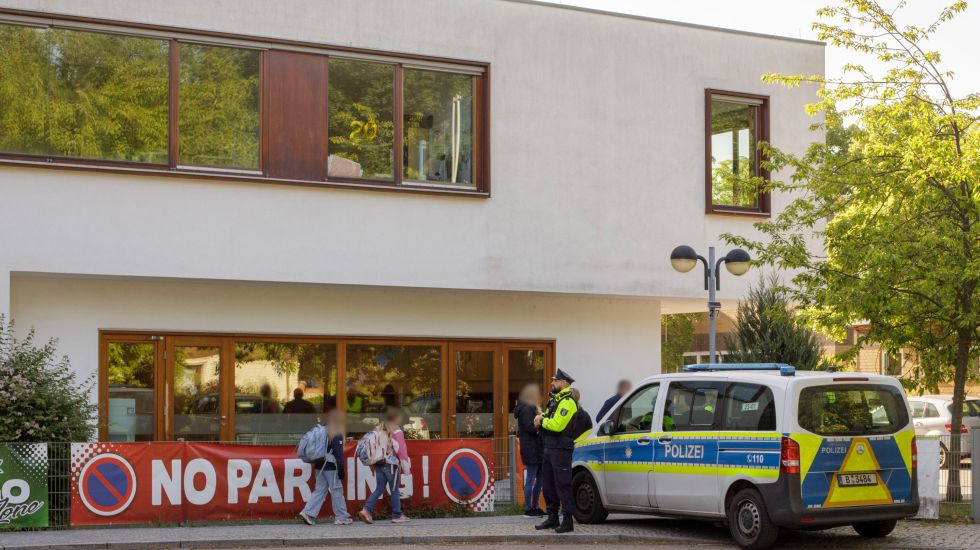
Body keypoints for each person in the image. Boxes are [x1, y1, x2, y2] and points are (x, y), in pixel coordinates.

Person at [533, 368, 578, 534]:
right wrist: (542, 417)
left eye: (555, 380)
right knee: (549, 485)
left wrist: (541, 420)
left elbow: (558, 425)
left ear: (564, 383)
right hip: (550, 447)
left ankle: (568, 521)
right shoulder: (556, 400)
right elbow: (549, 416)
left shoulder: (567, 402)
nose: (552, 383)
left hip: (561, 448)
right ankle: (553, 518)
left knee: (563, 485)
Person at [359, 407, 411, 524]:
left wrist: (372, 466)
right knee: (394, 490)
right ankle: (397, 515)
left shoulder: (378, 429)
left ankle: (366, 510)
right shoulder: (396, 431)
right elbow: (401, 451)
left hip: (378, 464)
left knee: (379, 488)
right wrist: (406, 469)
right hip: (391, 464)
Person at [299, 410, 351, 525]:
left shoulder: (322, 430)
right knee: (337, 490)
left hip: (319, 465)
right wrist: (341, 470)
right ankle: (341, 517)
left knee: (320, 490)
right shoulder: (336, 434)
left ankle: (308, 512)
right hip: (331, 467)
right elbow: (338, 455)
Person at [514, 384, 545, 518]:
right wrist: (541, 425)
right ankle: (528, 508)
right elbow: (530, 428)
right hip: (531, 450)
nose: (539, 397)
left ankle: (535, 506)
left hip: (537, 449)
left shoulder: (532, 408)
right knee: (531, 479)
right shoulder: (527, 409)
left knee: (540, 479)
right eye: (537, 394)